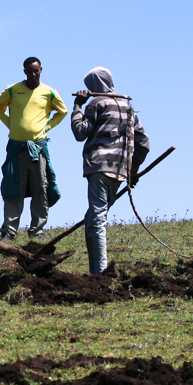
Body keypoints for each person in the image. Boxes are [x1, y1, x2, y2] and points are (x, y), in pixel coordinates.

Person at [70, 66, 149, 275]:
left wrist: (78, 105)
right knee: (95, 217)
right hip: (120, 170)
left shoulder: (96, 103)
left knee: (96, 218)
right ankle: (95, 269)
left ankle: (99, 272)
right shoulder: (128, 107)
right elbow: (143, 143)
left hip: (99, 166)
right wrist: (132, 170)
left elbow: (80, 132)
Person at [0, 57, 67, 240]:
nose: (33, 74)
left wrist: (47, 127)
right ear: (24, 71)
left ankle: (37, 230)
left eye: (36, 71)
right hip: (16, 147)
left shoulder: (49, 92)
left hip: (38, 148)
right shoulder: (13, 89)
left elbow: (63, 111)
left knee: (40, 188)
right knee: (12, 188)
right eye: (29, 71)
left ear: (41, 70)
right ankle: (9, 231)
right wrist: (10, 124)